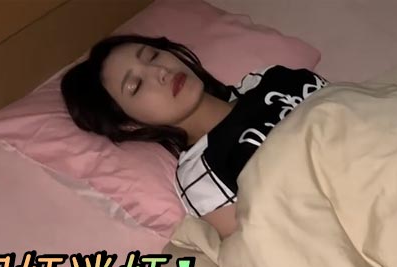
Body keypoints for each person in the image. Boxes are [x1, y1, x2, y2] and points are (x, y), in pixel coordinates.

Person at [61, 34, 327, 237]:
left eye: (152, 56)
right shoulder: (201, 174)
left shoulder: (271, 78)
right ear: (128, 124)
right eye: (137, 85)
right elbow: (272, 243)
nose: (160, 72)